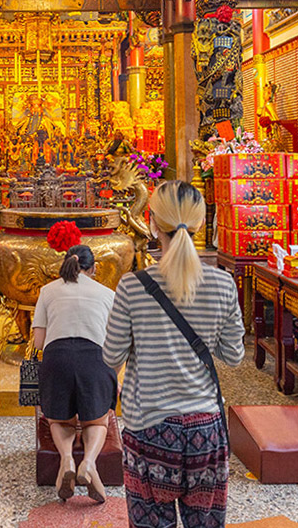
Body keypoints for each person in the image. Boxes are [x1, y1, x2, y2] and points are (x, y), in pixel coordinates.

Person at [103, 181, 245, 527]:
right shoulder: (223, 284)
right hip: (205, 431)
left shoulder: (132, 286)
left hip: (149, 430)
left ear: (151, 223)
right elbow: (233, 354)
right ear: (200, 223)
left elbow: (111, 357)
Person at [32, 244, 118, 503]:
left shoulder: (47, 291)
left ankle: (66, 460)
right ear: (93, 268)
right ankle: (89, 463)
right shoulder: (106, 293)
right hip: (95, 359)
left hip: (57, 359)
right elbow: (116, 342)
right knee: (97, 421)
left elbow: (38, 342)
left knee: (60, 420)